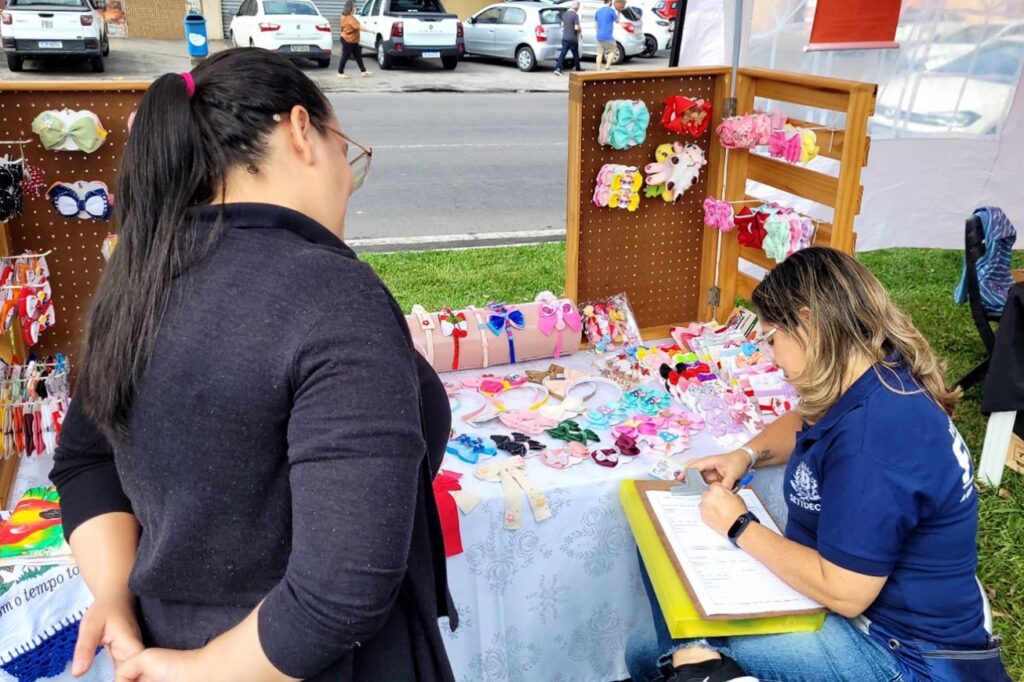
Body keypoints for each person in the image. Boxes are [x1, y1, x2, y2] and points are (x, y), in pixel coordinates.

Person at [49, 49, 456, 682]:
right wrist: (198, 670)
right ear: (300, 130)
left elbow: (86, 460)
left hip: (163, 642)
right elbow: (340, 587)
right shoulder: (331, 294)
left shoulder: (137, 281)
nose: (348, 181)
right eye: (346, 153)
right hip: (315, 664)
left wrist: (112, 595)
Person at [625, 248, 1012, 682]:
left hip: (898, 656)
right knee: (649, 650)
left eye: (771, 339)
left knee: (671, 647)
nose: (771, 356)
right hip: (878, 623)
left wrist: (739, 526)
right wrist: (745, 455)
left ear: (808, 322)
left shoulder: (875, 439)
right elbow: (806, 418)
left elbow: (845, 593)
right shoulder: (875, 372)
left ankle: (703, 671)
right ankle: (699, 667)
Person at [338, 0, 371, 78]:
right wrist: (370, 30)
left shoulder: (347, 16)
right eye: (354, 7)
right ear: (350, 7)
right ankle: (340, 72)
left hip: (353, 40)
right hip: (348, 40)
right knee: (345, 56)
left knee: (358, 56)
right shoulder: (348, 18)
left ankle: (363, 71)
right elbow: (359, 27)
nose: (355, 8)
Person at [554, 1, 583, 76]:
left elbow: (562, 25)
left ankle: (558, 68)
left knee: (562, 54)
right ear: (577, 7)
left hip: (565, 38)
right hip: (573, 38)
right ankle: (578, 68)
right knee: (576, 54)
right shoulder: (575, 15)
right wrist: (580, 29)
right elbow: (576, 28)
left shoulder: (565, 14)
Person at [594, 0, 618, 71]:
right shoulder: (611, 11)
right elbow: (617, 21)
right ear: (610, 1)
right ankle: (607, 67)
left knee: (599, 53)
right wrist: (618, 11)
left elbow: (596, 25)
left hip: (599, 36)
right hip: (608, 35)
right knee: (613, 50)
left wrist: (598, 33)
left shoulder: (598, 11)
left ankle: (598, 69)